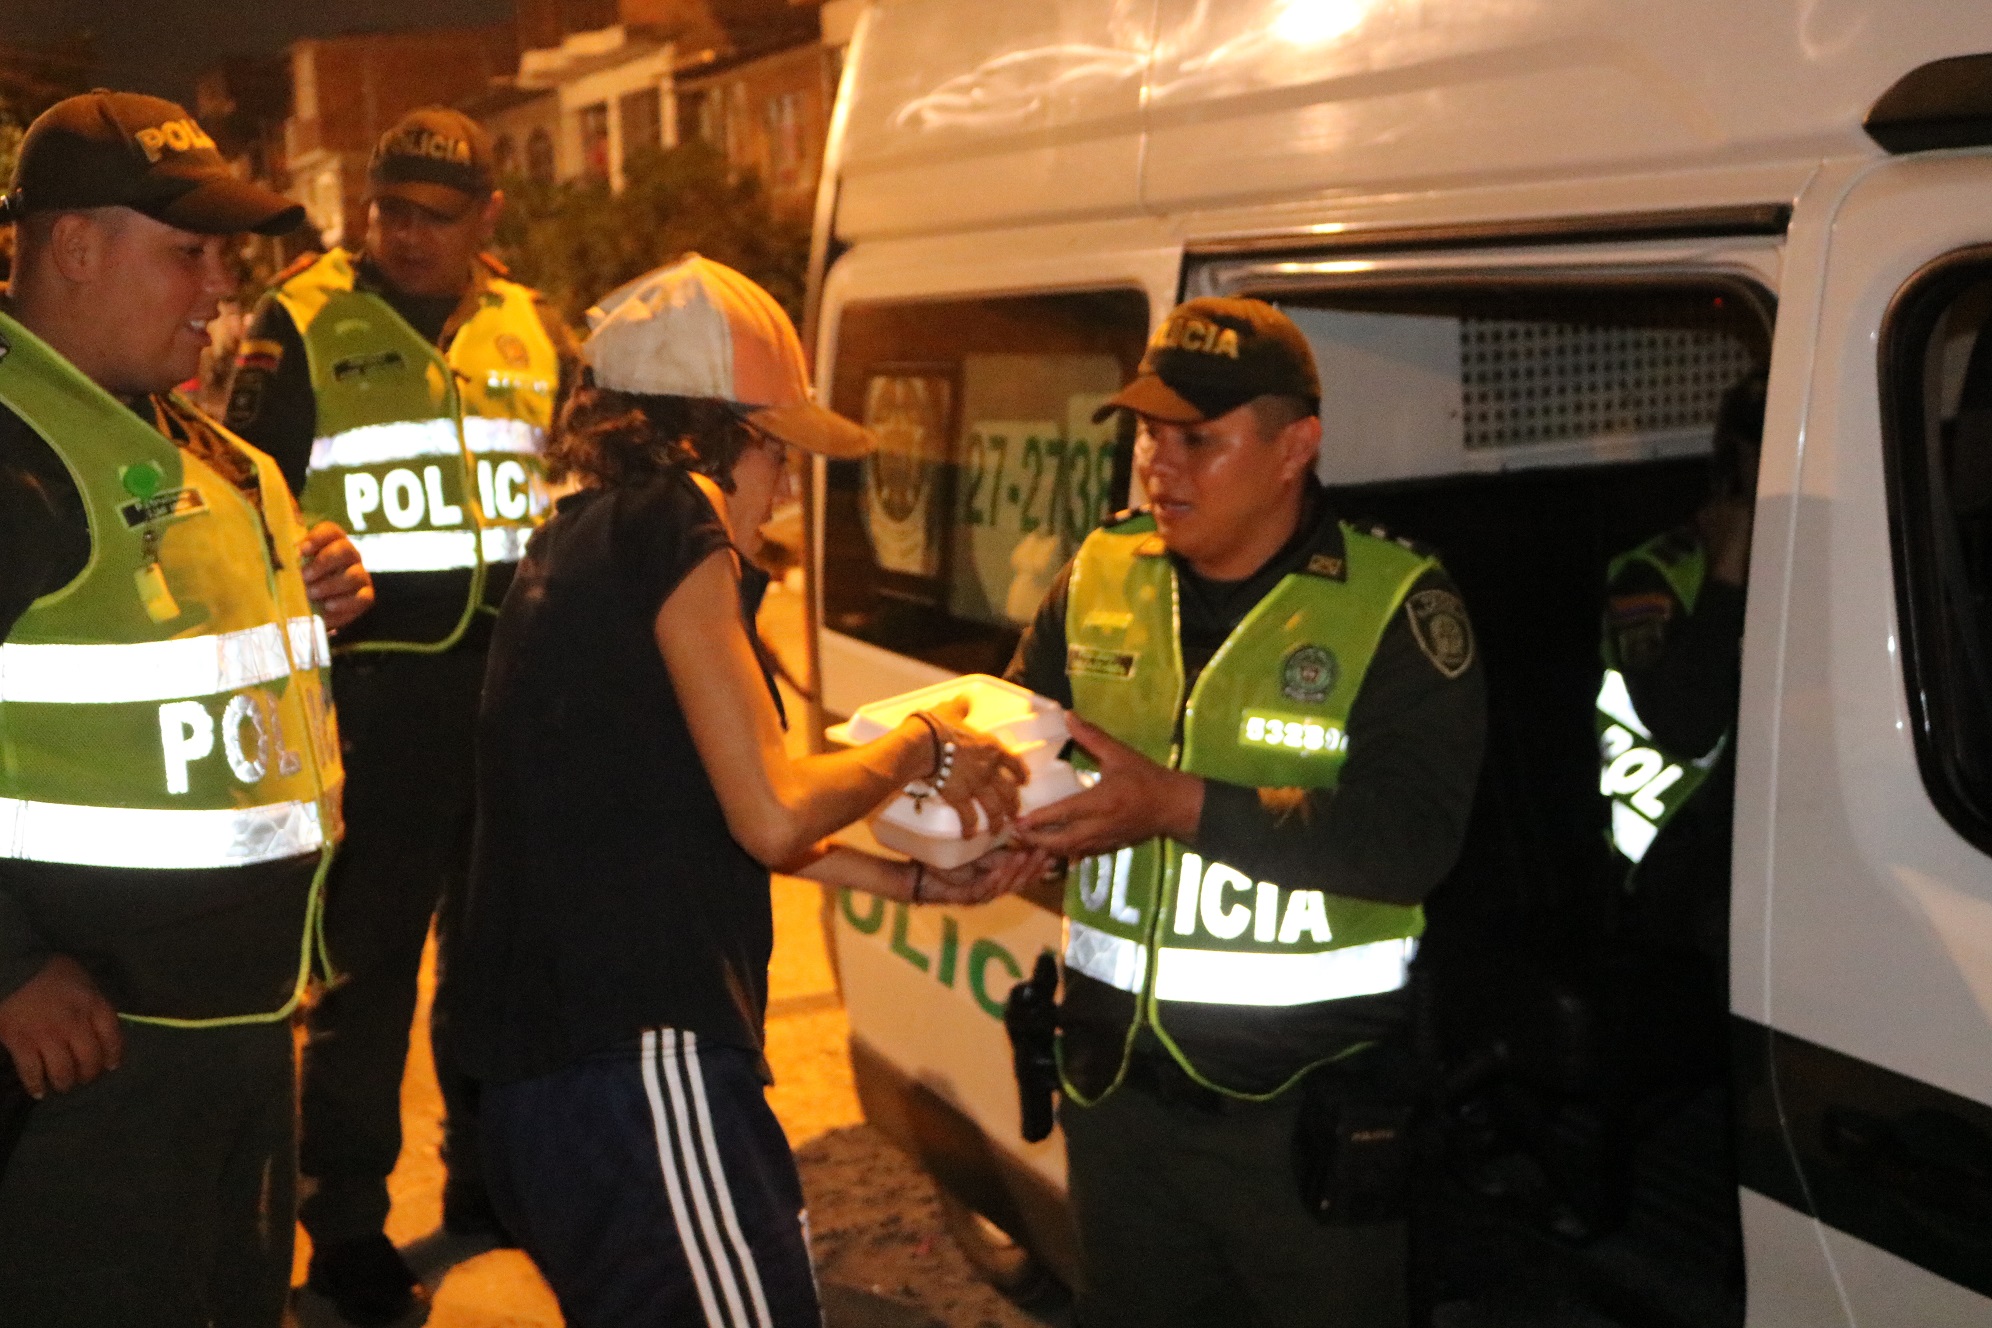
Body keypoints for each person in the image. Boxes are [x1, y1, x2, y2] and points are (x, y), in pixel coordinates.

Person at [443, 254, 1050, 1327]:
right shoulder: (677, 522)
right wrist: (922, 740)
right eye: (782, 451)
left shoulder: (574, 542)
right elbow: (771, 808)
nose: (789, 485)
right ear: (713, 434)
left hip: (544, 1078)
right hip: (638, 1061)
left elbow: (690, 809)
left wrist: (910, 886)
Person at [1006, 297, 1487, 1328]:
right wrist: (979, 813)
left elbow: (1412, 840)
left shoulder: (1394, 604)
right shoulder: (1097, 575)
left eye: (1197, 439)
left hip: (1299, 1121)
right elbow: (1018, 745)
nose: (1157, 464)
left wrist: (1176, 804)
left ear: (1294, 446)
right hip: (1116, 1102)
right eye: (1147, 432)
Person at [0, 91, 373, 1325]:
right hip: (94, 1062)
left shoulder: (193, 443)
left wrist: (305, 587)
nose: (220, 287)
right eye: (188, 254)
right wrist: (7, 967)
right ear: (74, 248)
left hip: (240, 1029)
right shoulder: (16, 458)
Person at [224, 105, 579, 1322]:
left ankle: (491, 1183)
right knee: (365, 979)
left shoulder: (533, 325)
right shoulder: (303, 319)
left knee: (500, 959)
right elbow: (242, 494)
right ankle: (348, 1227)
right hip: (380, 698)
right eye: (388, 213)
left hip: (513, 695)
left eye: (434, 216)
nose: (405, 236)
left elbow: (574, 490)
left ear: (489, 216)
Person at [1597, 370, 1764, 963]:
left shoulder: (1833, 563)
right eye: (1762, 453)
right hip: (1685, 868)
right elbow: (1686, 722)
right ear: (1735, 461)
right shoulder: (1653, 575)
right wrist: (1727, 572)